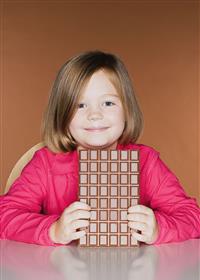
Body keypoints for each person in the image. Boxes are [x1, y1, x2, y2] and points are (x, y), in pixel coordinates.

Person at [0, 50, 199, 246]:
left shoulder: (146, 162)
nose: (95, 114)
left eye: (108, 103)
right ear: (63, 114)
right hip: (60, 272)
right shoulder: (45, 163)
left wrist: (159, 228)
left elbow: (192, 216)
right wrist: (53, 229)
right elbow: (6, 215)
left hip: (131, 272)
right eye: (80, 105)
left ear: (127, 110)